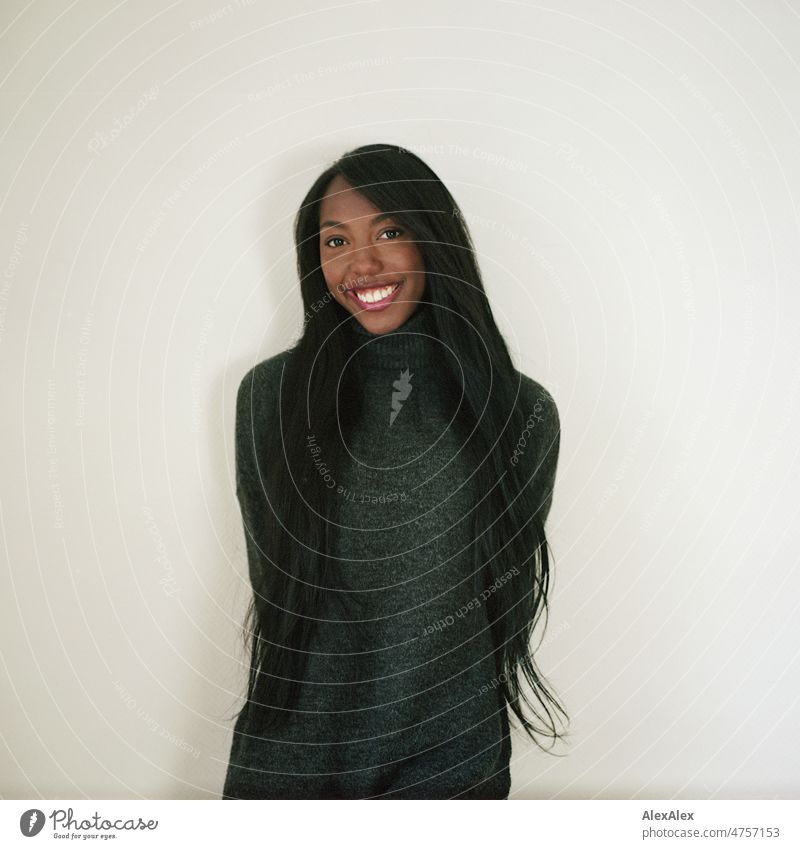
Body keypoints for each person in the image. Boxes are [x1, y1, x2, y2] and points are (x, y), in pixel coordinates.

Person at [221, 142, 567, 799]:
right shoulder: (270, 397)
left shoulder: (520, 411)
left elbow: (497, 610)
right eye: (334, 241)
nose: (362, 262)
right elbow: (285, 603)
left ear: (435, 240)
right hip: (290, 765)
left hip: (450, 768)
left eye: (389, 230)